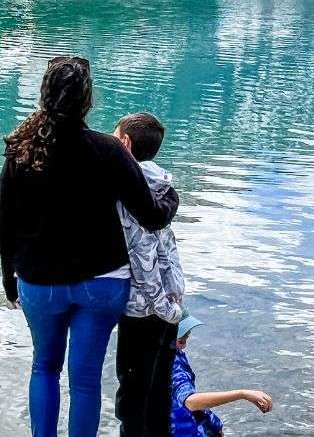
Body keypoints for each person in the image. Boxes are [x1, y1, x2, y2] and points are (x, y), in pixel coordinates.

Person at [0, 56, 180, 437]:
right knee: (84, 381)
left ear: (43, 95)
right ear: (88, 100)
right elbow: (150, 215)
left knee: (44, 367)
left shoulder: (21, 152)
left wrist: (8, 279)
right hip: (102, 284)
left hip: (39, 283)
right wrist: (171, 198)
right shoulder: (109, 151)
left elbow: (7, 222)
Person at [112, 112, 185, 436]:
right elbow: (166, 249)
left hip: (145, 308)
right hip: (168, 301)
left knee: (132, 398)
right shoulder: (161, 184)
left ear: (125, 143)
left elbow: (142, 255)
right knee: (159, 393)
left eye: (114, 138)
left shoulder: (129, 188)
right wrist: (174, 304)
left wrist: (161, 306)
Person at [171, 312, 273, 437]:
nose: (185, 345)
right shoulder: (172, 362)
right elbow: (190, 402)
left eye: (186, 338)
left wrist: (214, 423)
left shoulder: (168, 354)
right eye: (182, 340)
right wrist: (242, 394)